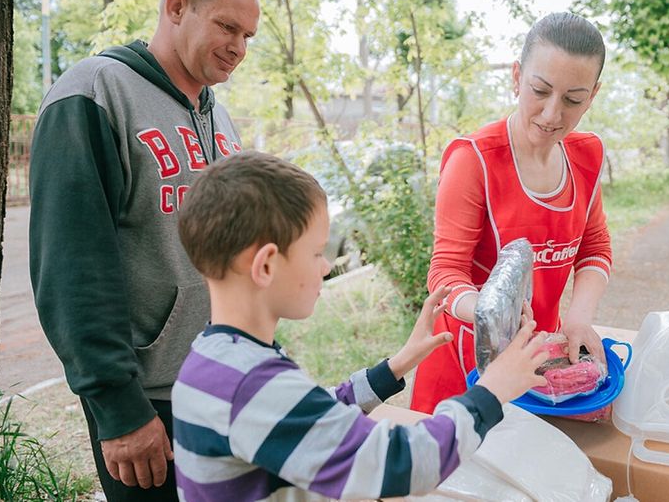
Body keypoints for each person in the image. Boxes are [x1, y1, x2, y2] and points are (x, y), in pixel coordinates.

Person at [171, 151, 549, 500]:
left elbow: (310, 421)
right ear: (266, 266)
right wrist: (491, 391)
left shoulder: (218, 360)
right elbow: (403, 462)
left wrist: (394, 367)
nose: (324, 266)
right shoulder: (248, 384)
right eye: (317, 253)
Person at [27, 0, 259, 499]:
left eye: (248, 35)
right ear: (177, 6)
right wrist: (118, 407)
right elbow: (71, 266)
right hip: (147, 400)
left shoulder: (217, 117)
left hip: (224, 384)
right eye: (227, 27)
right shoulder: (94, 94)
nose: (239, 48)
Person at [411, 12, 613, 413]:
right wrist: (491, 315)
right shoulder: (475, 161)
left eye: (573, 99)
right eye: (540, 90)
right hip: (465, 366)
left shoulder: (586, 155)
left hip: (535, 362)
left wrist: (577, 318)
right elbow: (446, 271)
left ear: (592, 95)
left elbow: (594, 247)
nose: (552, 114)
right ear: (517, 76)